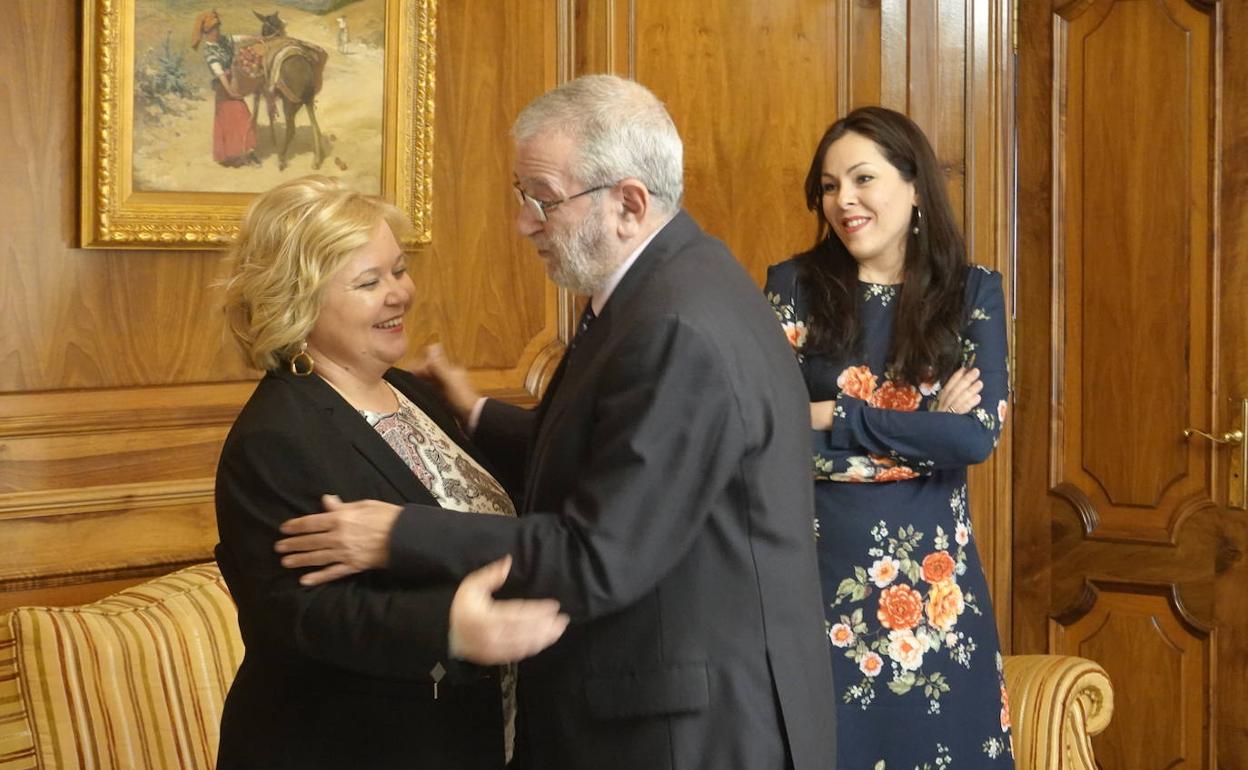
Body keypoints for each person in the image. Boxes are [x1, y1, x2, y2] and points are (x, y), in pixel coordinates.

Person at [273, 75, 838, 770]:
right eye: (523, 199)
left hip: (689, 733)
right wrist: (477, 414)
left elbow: (600, 557)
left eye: (542, 199)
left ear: (628, 203)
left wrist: (396, 533)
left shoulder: (675, 326)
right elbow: (615, 453)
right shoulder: (673, 282)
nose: (523, 223)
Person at [213, 175, 568, 770]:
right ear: (297, 302)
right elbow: (296, 615)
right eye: (369, 282)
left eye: (399, 270)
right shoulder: (277, 436)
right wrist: (447, 628)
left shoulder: (410, 392)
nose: (399, 293)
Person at [763, 106, 1014, 767]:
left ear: (913, 184)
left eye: (862, 179)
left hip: (938, 604)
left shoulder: (972, 293)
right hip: (817, 591)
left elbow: (975, 437)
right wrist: (919, 439)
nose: (843, 200)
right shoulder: (793, 286)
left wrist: (834, 417)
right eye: (828, 185)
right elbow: (765, 429)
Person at [191, 10, 259, 167]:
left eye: (218, 29)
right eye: (213, 30)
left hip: (233, 84)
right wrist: (230, 92)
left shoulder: (223, 40)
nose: (217, 32)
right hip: (224, 89)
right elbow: (220, 74)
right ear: (206, 33)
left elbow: (238, 38)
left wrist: (255, 38)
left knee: (243, 116)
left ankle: (245, 152)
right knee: (232, 120)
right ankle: (236, 156)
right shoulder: (209, 51)